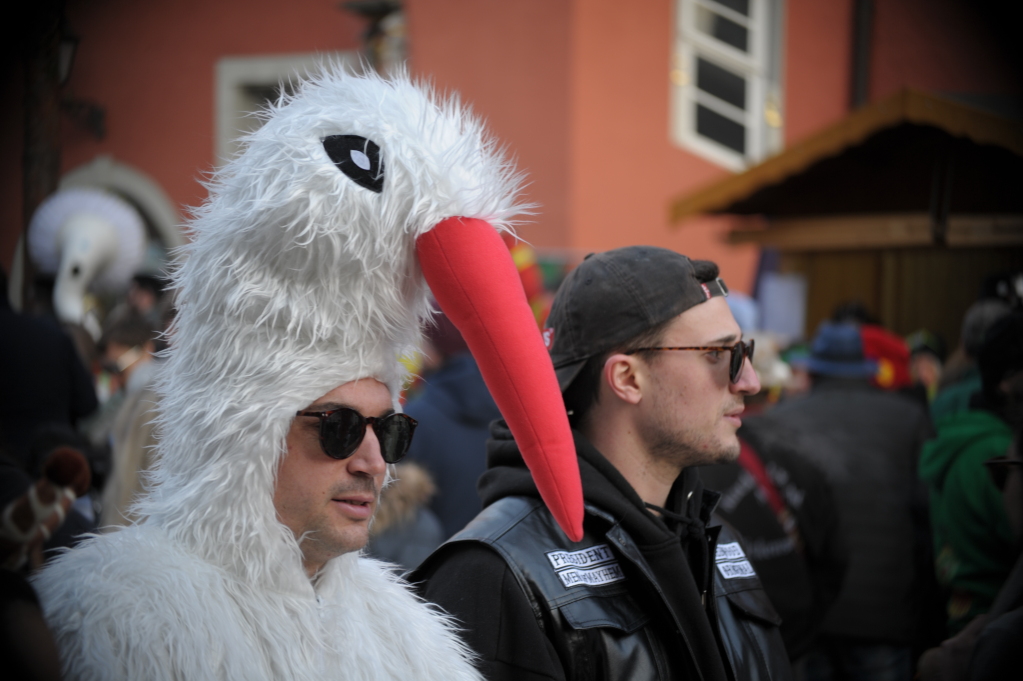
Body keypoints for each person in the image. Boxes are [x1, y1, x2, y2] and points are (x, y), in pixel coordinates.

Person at [31, 68, 586, 680]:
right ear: (247, 430)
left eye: (390, 430)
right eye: (340, 427)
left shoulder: (411, 645)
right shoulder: (106, 623)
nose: (374, 461)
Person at [414, 246, 792, 681]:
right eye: (718, 355)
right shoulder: (493, 576)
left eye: (743, 352)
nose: (749, 381)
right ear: (628, 379)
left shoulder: (712, 540)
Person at [752, 321, 934, 681]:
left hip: (810, 613)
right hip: (886, 612)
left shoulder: (779, 420)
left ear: (815, 369)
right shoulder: (909, 418)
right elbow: (927, 517)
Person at [919, 312, 1023, 636]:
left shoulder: (964, 436)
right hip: (989, 621)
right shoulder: (995, 450)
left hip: (964, 612)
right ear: (1007, 381)